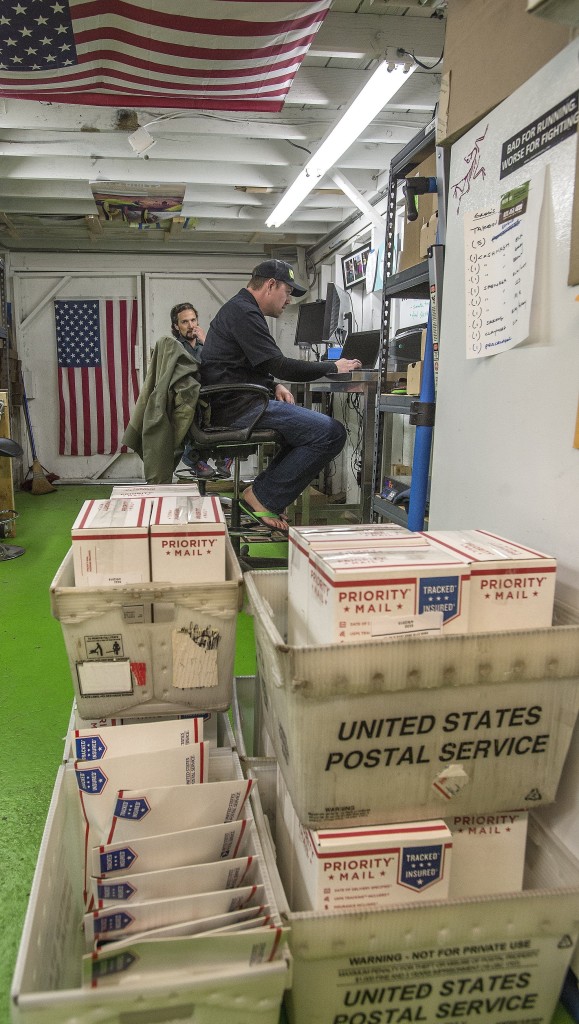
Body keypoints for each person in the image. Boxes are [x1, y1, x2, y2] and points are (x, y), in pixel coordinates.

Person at [200, 259, 362, 532]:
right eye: (287, 292)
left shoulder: (241, 310)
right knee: (331, 433)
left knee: (306, 432)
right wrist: (333, 366)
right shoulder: (244, 313)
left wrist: (273, 385)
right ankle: (263, 496)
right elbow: (279, 364)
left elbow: (254, 365)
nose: (288, 300)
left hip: (236, 401)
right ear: (270, 285)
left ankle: (264, 493)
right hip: (238, 407)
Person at [170, 302, 232, 480]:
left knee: (234, 402)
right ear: (176, 326)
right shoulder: (175, 347)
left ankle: (225, 455)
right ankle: (193, 458)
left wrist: (207, 343)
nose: (191, 326)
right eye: (184, 322)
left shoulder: (208, 343)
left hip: (214, 394)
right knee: (191, 409)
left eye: (193, 320)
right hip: (190, 397)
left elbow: (224, 365)